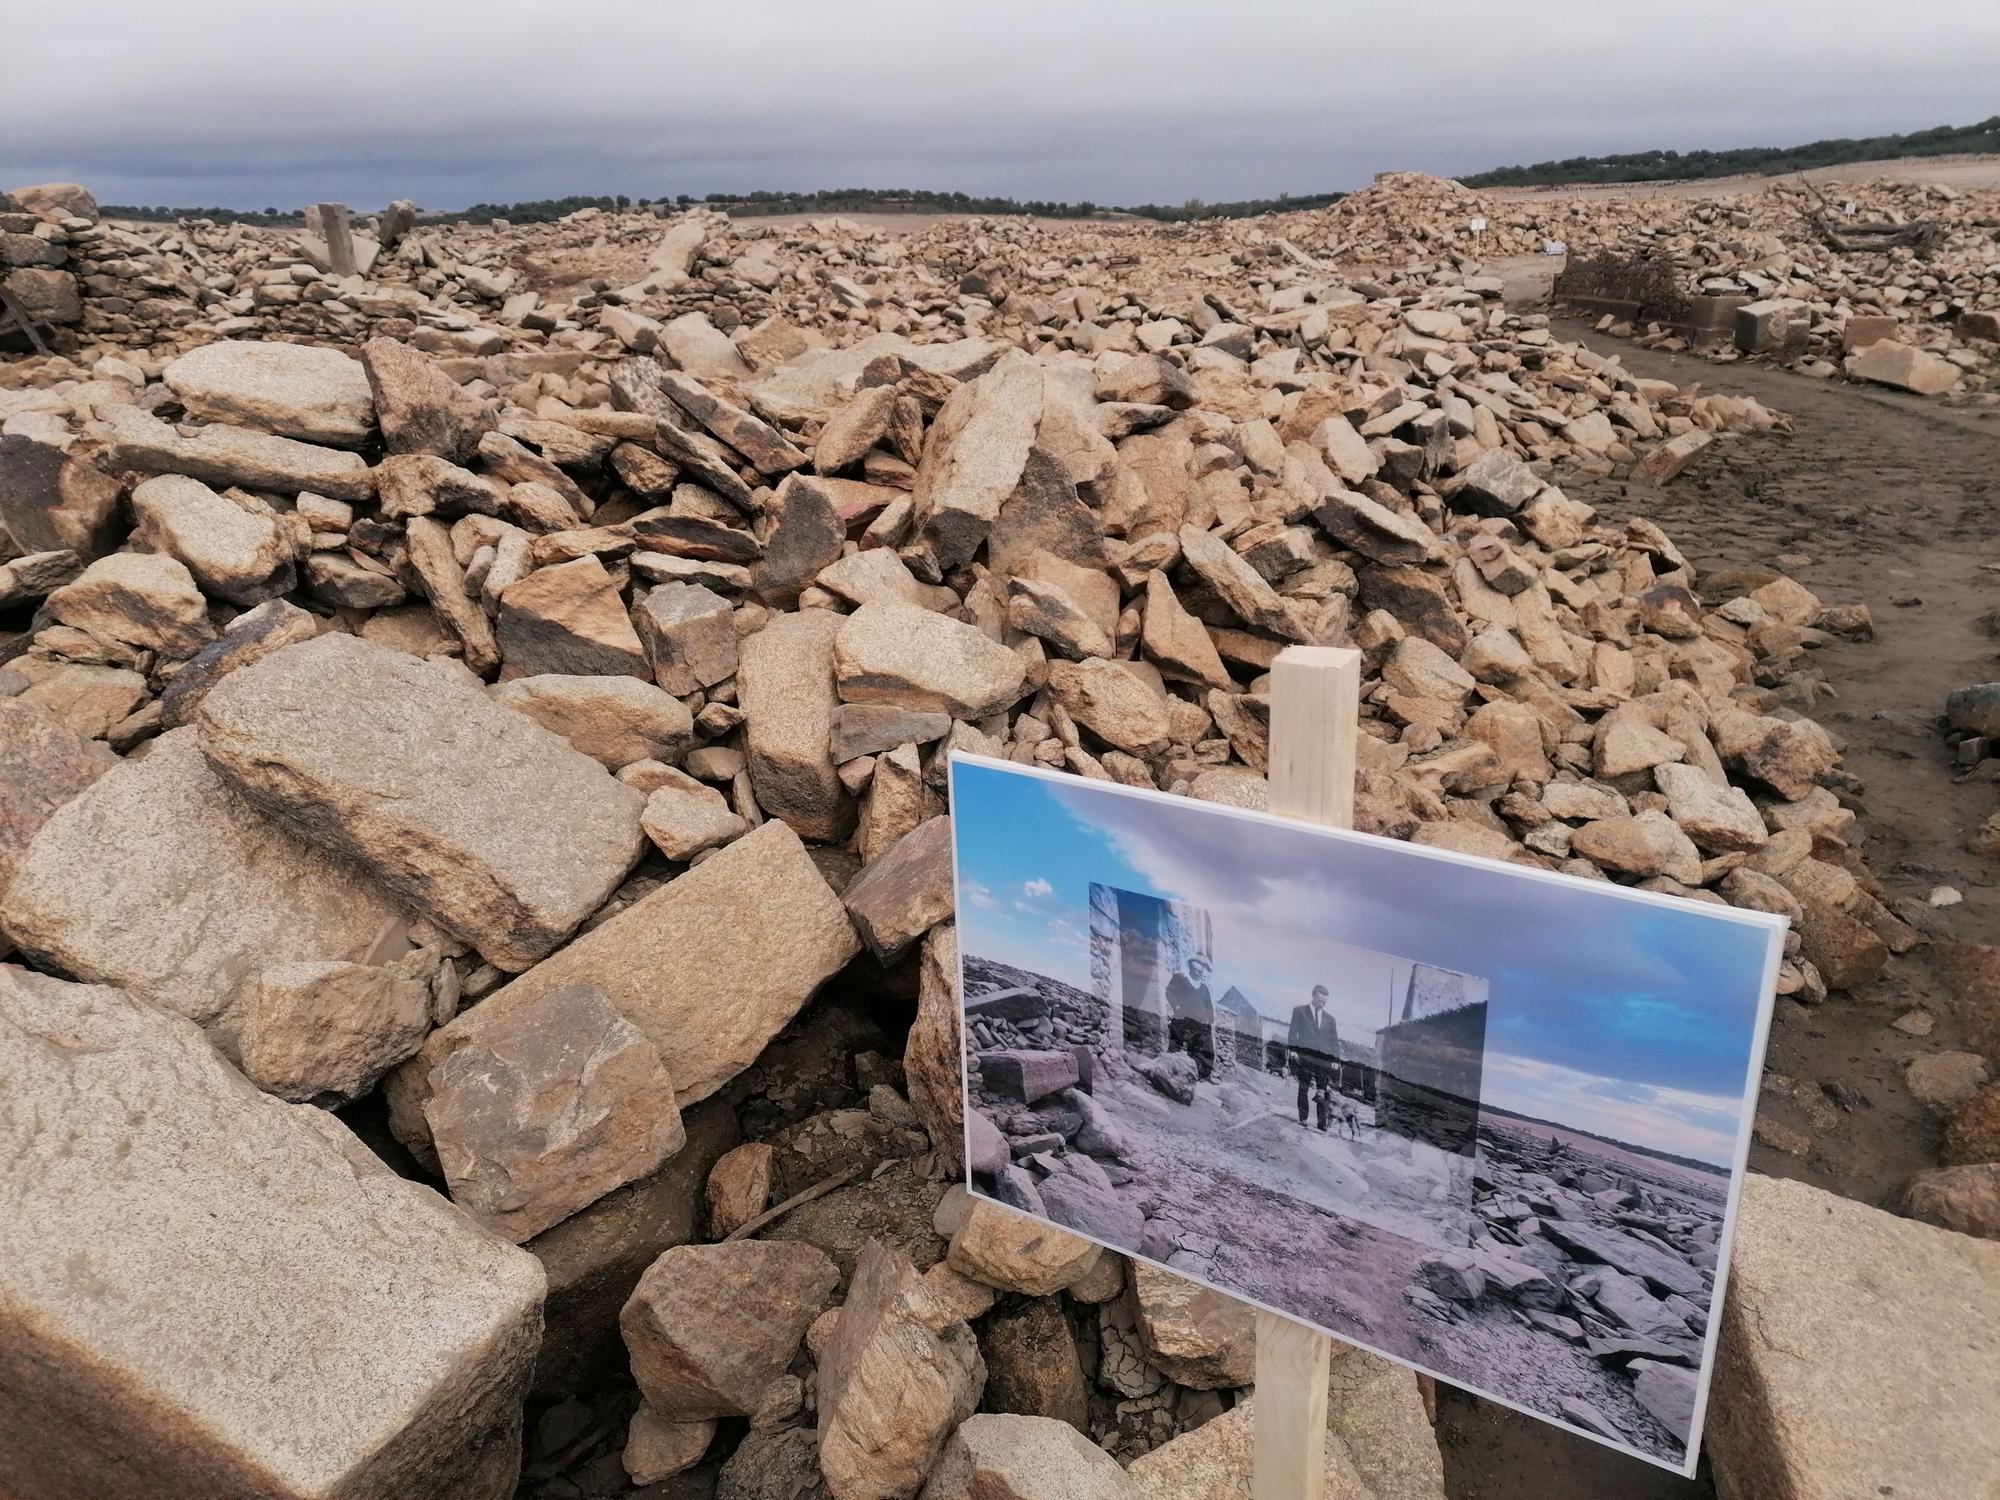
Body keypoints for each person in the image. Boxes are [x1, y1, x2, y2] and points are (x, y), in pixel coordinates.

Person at [1287, 984, 1340, 1131]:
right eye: (1320, 1000)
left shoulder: (1330, 1019)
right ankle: (1303, 1119)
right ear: (1313, 996)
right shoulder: (1300, 1011)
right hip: (1305, 1058)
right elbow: (1292, 1033)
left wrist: (1336, 1061)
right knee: (1303, 1088)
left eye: (1325, 1002)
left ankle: (1321, 1125)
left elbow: (1335, 1042)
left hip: (1323, 1061)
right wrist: (1293, 1050)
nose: (1322, 1004)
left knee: (1322, 1092)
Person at [1164, 954, 1215, 1083]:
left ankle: (1201, 1075)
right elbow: (1169, 992)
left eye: (1200, 971)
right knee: (1176, 1044)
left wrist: (1210, 1019)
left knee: (1203, 1049)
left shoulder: (1204, 988)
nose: (1198, 973)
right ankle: (1169, 1069)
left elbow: (1209, 1006)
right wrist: (1176, 1006)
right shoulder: (1181, 980)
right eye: (1195, 970)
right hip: (1183, 1019)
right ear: (1191, 969)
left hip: (1199, 1023)